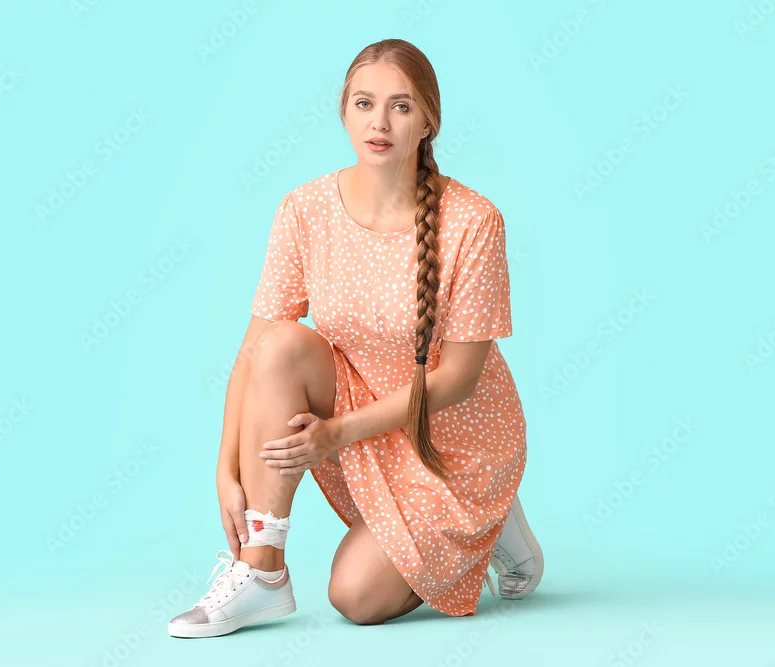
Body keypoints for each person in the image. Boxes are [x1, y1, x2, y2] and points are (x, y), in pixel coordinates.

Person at [168, 39, 542, 640]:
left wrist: (337, 433)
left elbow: (457, 379)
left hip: (456, 442)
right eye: (364, 103)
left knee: (356, 596)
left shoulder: (475, 221)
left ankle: (494, 518)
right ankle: (261, 570)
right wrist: (225, 468)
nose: (380, 122)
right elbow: (255, 350)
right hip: (362, 413)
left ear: (428, 122)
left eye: (401, 106)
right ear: (344, 113)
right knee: (281, 345)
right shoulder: (305, 208)